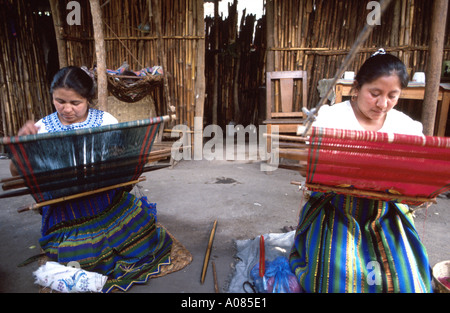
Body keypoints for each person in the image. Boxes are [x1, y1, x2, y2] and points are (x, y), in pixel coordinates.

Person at [10, 66, 173, 292]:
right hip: (66, 210)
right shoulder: (42, 128)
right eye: (59, 101)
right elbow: (16, 173)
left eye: (75, 103)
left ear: (88, 98)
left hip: (105, 200)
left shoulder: (105, 121)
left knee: (140, 237)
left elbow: (122, 159)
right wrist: (21, 146)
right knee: (84, 261)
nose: (66, 109)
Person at [289, 49, 433, 293]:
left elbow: (415, 176)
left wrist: (418, 190)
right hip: (335, 209)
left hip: (385, 213)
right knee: (336, 281)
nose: (382, 103)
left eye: (392, 96)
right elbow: (309, 167)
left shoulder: (405, 126)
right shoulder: (332, 119)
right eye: (374, 93)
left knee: (404, 284)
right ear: (356, 87)